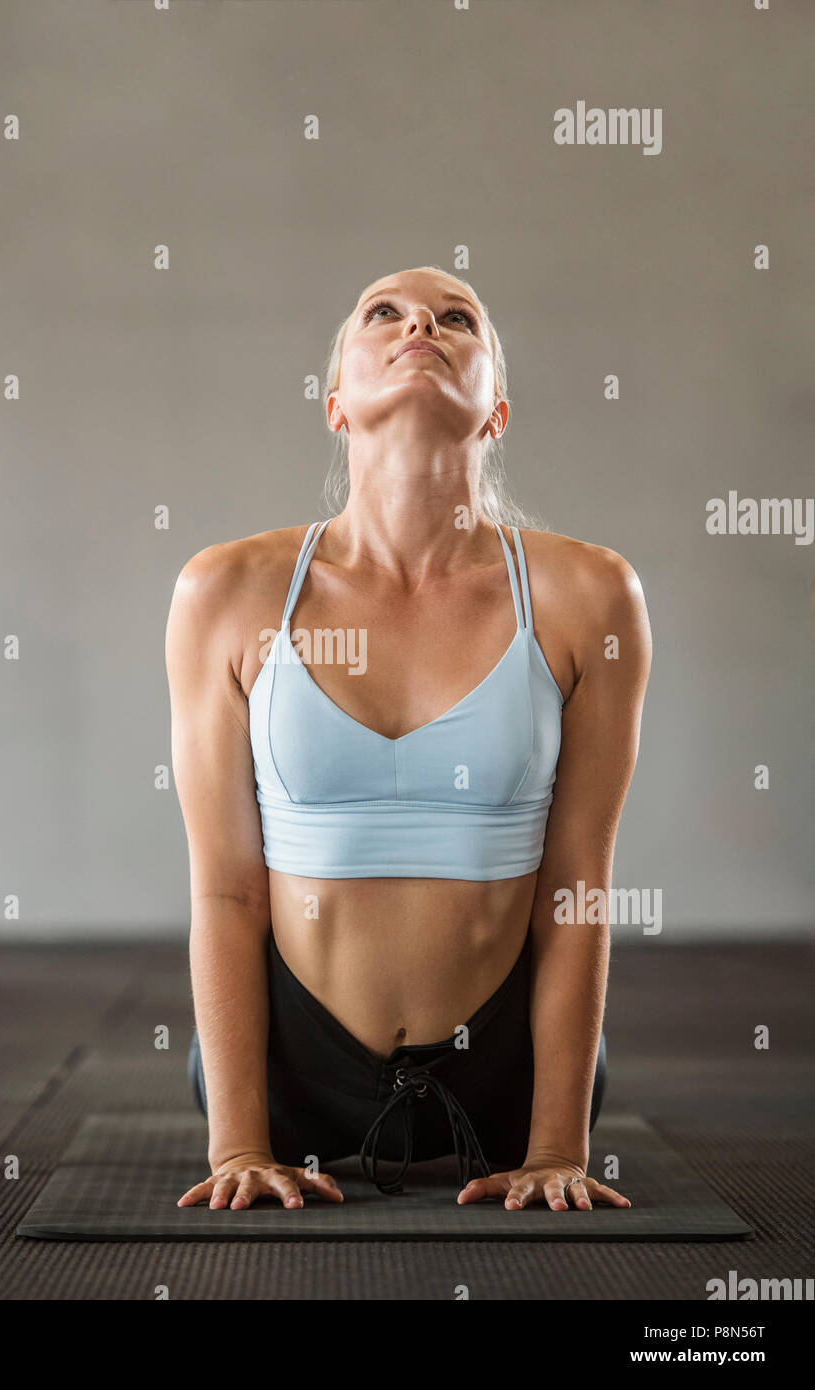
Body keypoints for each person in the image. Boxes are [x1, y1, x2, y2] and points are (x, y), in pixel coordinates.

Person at [166, 266, 651, 1211]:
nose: (419, 321)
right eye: (381, 312)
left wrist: (558, 1147)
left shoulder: (588, 595)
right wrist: (238, 1147)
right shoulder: (225, 592)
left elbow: (578, 885)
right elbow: (225, 889)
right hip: (288, 1075)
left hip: (512, 1075)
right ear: (336, 403)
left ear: (495, 413)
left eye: (457, 318)